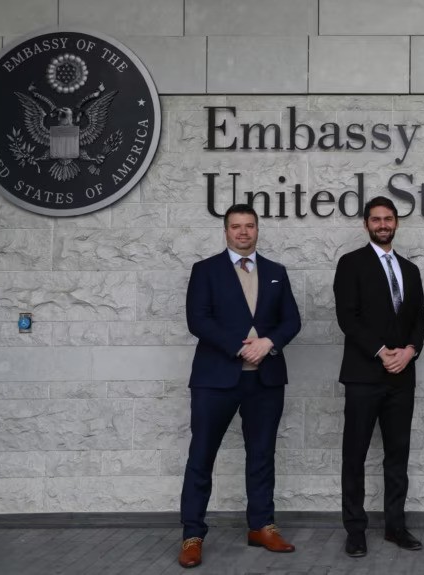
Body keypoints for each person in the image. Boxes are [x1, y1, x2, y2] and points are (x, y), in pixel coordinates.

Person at [178, 203, 302, 569]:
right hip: (216, 380)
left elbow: (291, 320)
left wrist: (269, 343)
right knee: (201, 457)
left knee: (262, 456)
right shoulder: (205, 270)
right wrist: (239, 347)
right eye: (236, 226)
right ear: (226, 231)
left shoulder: (276, 272)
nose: (243, 232)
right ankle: (192, 534)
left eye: (249, 226)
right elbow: (198, 319)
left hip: (265, 379)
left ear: (257, 229)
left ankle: (261, 526)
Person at [334, 196, 424, 558]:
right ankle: (355, 530)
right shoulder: (351, 263)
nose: (383, 224)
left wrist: (410, 350)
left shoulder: (410, 269)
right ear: (366, 224)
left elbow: (419, 318)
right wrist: (380, 350)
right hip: (363, 375)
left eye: (389, 218)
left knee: (397, 456)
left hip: (402, 376)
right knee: (354, 455)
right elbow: (348, 316)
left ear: (396, 223)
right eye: (376, 219)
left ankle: (395, 526)